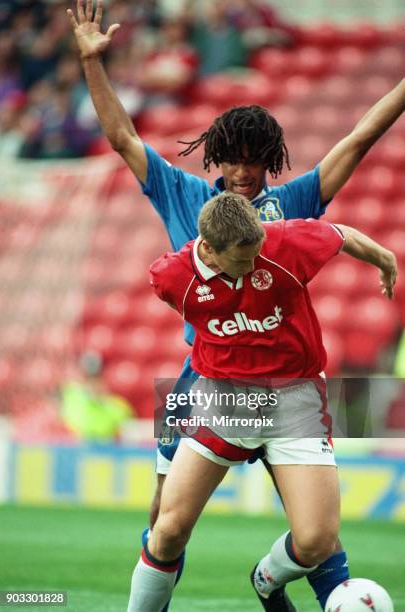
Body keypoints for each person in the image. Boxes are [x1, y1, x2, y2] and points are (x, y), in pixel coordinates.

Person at [66, 1, 405, 609]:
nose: (243, 170)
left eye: (254, 159)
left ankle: (301, 590)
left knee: (318, 531)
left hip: (284, 373)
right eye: (233, 158)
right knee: (164, 519)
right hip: (203, 375)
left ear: (269, 161)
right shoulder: (183, 193)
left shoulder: (297, 201)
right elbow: (120, 136)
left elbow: (361, 138)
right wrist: (94, 62)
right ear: (216, 158)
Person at [128, 192, 397, 611]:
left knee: (316, 540)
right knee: (168, 530)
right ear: (208, 250)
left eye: (257, 253)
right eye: (241, 260)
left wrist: (385, 259)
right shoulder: (170, 277)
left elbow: (343, 236)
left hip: (295, 400)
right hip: (222, 400)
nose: (254, 265)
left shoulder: (286, 243)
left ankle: (266, 578)